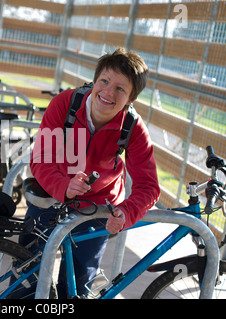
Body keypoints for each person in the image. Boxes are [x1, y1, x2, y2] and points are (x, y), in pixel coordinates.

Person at [19, 47, 160, 298]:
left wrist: (126, 213)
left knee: (78, 282)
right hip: (51, 193)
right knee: (28, 271)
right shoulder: (65, 103)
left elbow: (149, 187)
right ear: (94, 81)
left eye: (120, 88)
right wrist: (64, 186)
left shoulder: (133, 128)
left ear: (130, 99)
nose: (108, 92)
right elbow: (41, 159)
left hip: (98, 205)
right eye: (104, 81)